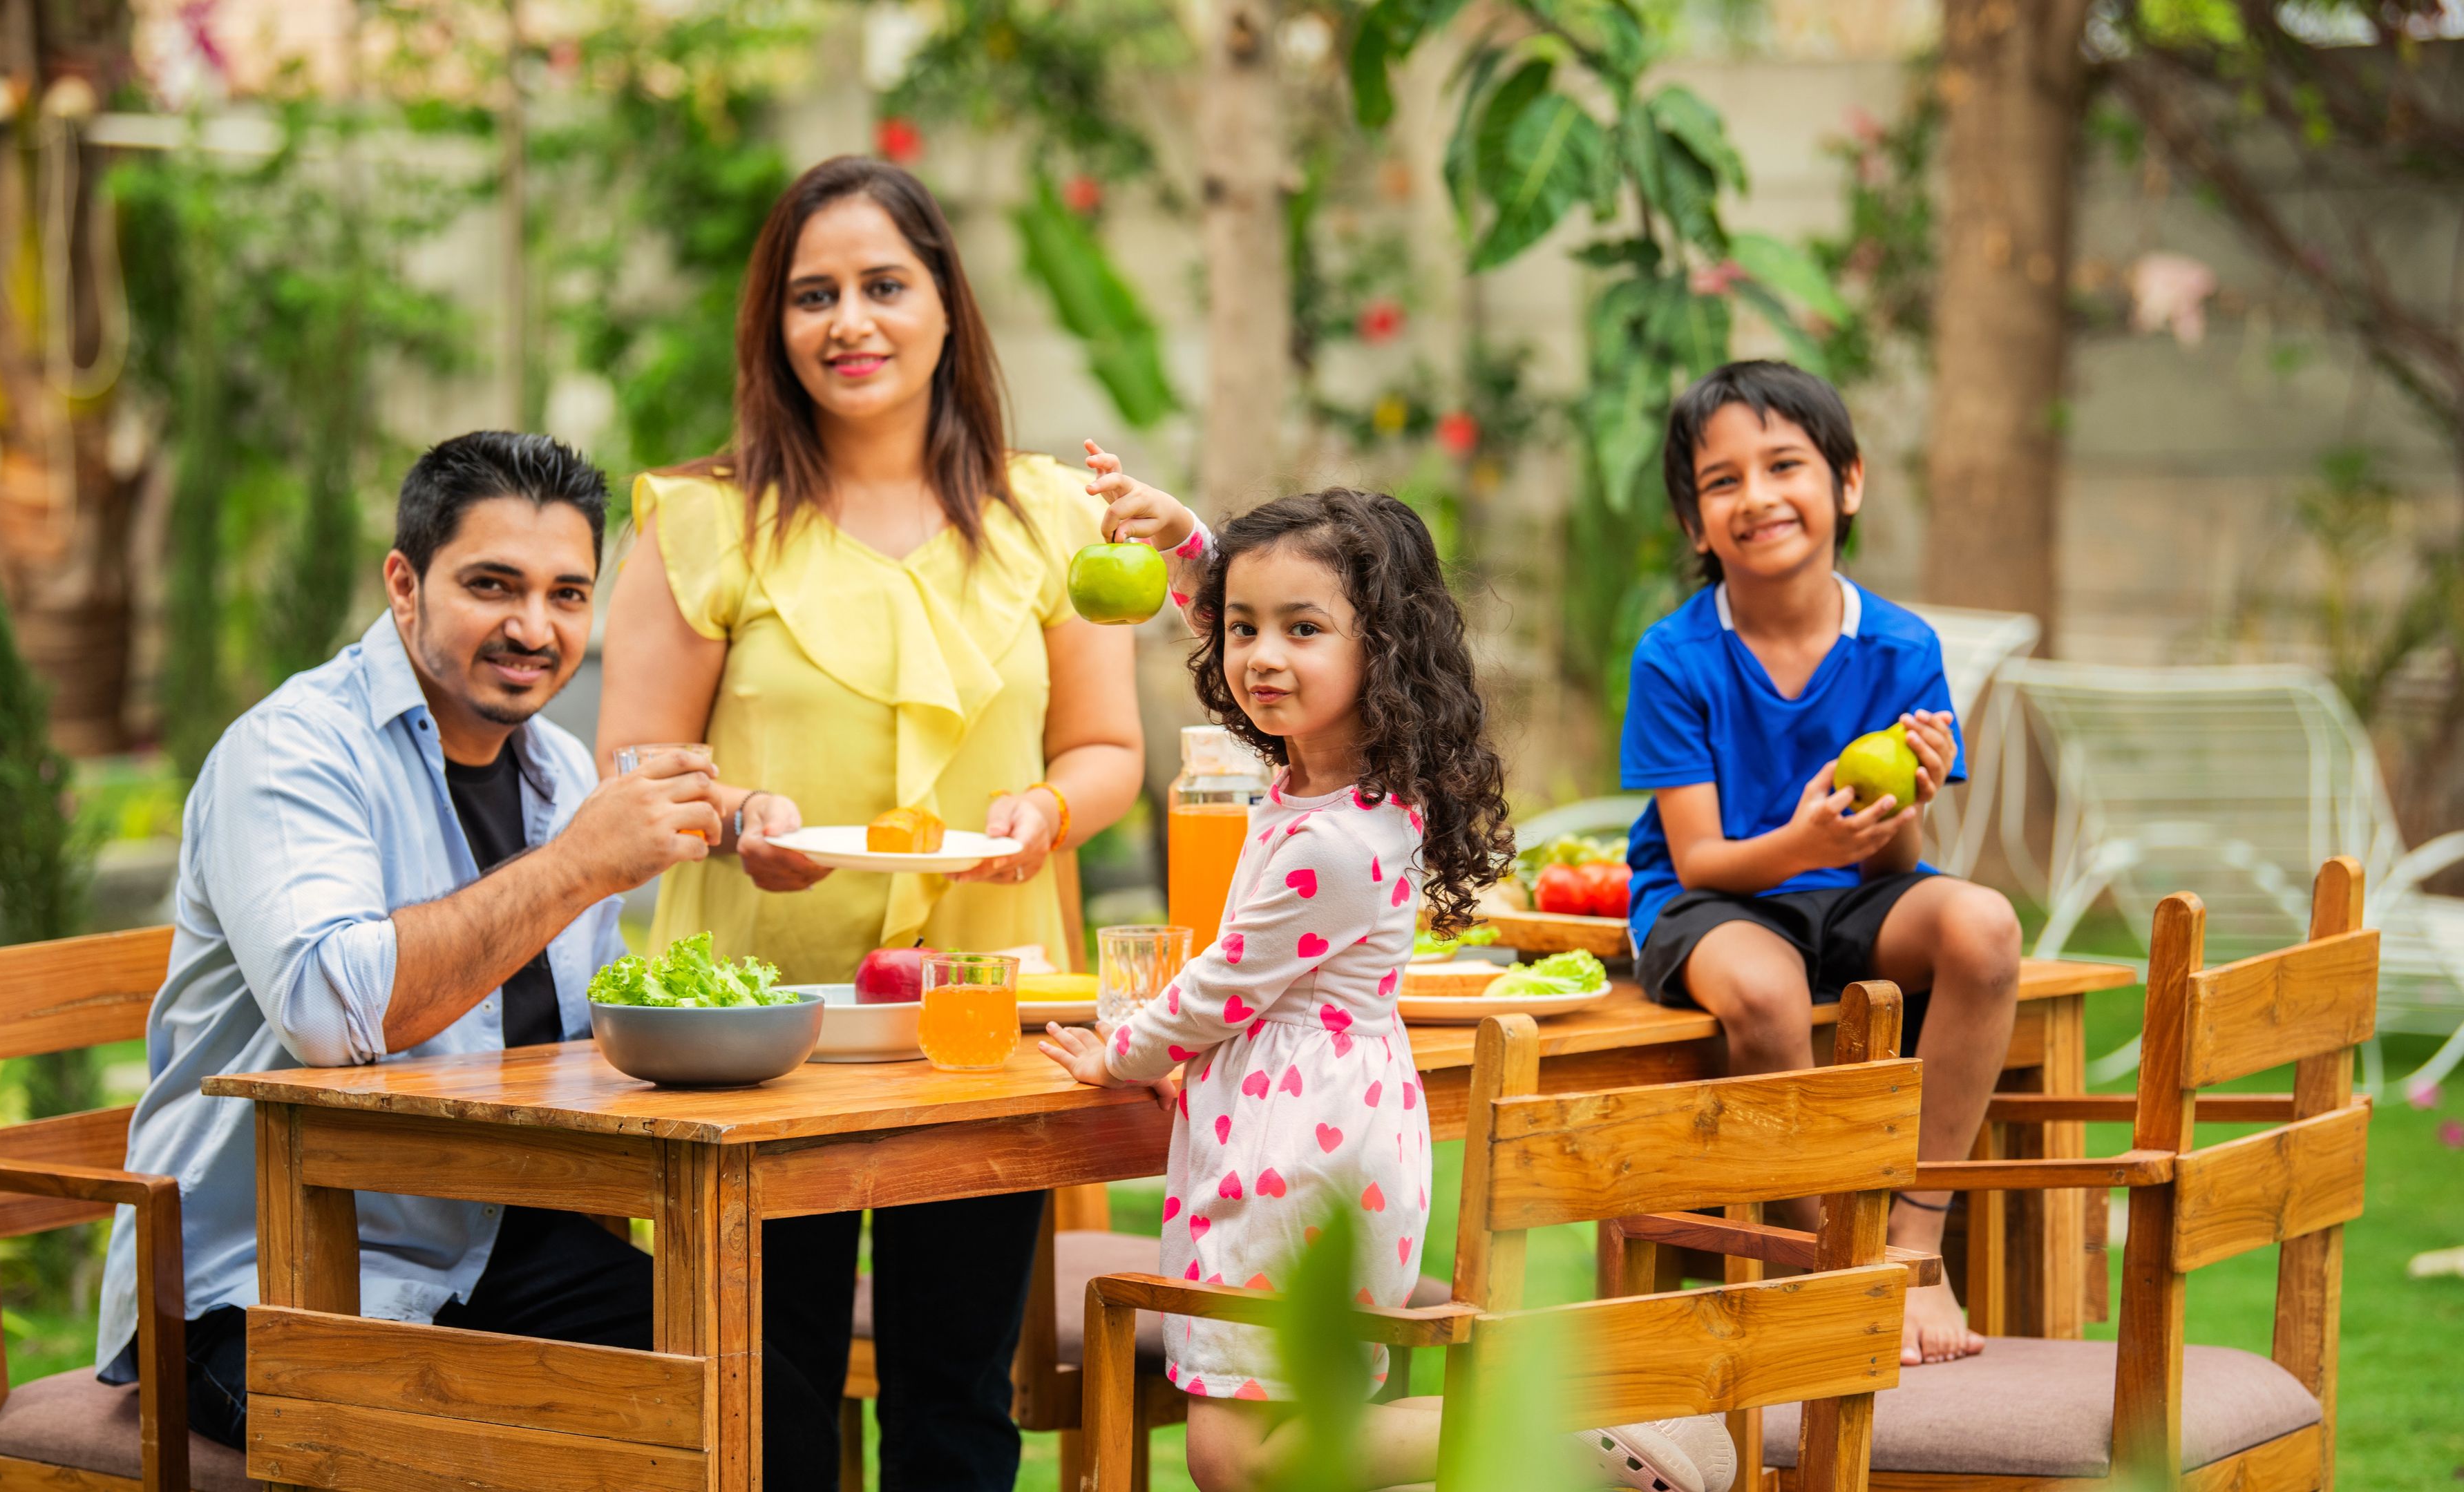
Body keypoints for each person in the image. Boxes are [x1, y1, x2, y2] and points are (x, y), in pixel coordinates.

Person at [594, 155, 1145, 1489]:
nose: (852, 322)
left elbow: (1109, 748)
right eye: (813, 294)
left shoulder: (1050, 517)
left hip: (979, 1019)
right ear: (772, 328)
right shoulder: (703, 521)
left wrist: (1045, 808)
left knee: (958, 1388)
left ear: (947, 304)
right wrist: (733, 821)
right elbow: (633, 760)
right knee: (763, 1393)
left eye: (885, 285)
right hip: (755, 1034)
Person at [90, 432, 799, 1453]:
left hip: (485, 1249)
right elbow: (333, 1015)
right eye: (493, 584)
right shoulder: (291, 751)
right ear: (405, 585)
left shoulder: (557, 769)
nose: (533, 627)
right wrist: (576, 868)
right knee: (447, 1457)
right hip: (262, 1286)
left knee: (763, 1400)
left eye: (566, 594)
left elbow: (560, 1048)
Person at [1042, 465, 1732, 1492]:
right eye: (1242, 629)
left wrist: (1123, 1053)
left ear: (1384, 650)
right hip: (1309, 1125)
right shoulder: (1346, 783)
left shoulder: (1333, 837)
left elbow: (1228, 984)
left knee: (1242, 1456)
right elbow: (1241, 614)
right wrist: (1189, 533)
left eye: (1304, 631)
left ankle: (1557, 1418)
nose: (1262, 658)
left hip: (1294, 1148)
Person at [1620, 360, 2024, 1366]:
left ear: (1847, 482)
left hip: (1851, 888)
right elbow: (1701, 857)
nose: (1756, 497)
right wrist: (1801, 846)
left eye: (1784, 465)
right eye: (1722, 482)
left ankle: (1916, 1249)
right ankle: (1828, 1262)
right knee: (1765, 989)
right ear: (1694, 524)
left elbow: (1901, 862)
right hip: (1708, 899)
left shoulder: (1899, 645)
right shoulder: (1675, 657)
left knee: (1984, 927)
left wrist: (1903, 804)